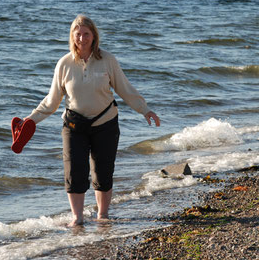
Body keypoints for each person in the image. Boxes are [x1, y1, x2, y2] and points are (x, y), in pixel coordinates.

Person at [22, 14, 161, 227]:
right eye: (77, 34)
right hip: (74, 126)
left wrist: (146, 110)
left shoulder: (107, 60)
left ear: (94, 36)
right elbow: (51, 101)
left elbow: (125, 89)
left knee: (103, 172)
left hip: (105, 123)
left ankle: (102, 215)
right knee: (74, 172)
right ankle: (77, 218)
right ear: (72, 36)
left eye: (86, 34)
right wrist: (30, 120)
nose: (82, 38)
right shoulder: (64, 64)